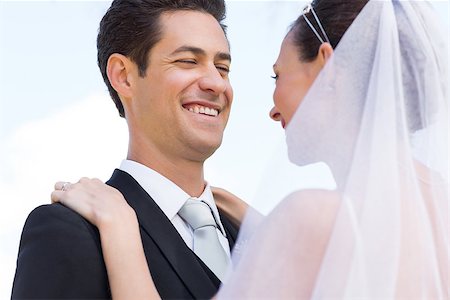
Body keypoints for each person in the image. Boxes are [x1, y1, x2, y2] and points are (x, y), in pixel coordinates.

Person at [53, 0, 449, 298]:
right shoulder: (435, 209)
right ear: (124, 75)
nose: (272, 109)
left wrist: (121, 233)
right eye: (188, 60)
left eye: (277, 75)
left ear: (327, 68)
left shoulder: (311, 220)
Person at [11, 0, 241, 299]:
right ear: (123, 75)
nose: (216, 83)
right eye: (187, 61)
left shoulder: (257, 237)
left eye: (222, 68)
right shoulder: (70, 232)